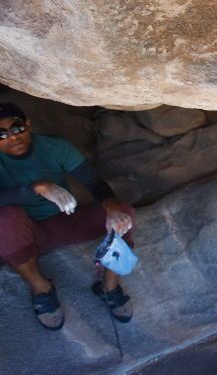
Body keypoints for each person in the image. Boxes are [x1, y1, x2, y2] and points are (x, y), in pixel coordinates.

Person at [0, 103, 135, 330]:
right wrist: (36, 188)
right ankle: (41, 289)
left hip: (66, 219)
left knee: (123, 212)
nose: (12, 138)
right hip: (26, 232)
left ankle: (109, 287)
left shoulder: (54, 147)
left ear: (28, 125)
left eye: (17, 128)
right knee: (5, 219)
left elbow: (92, 181)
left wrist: (111, 207)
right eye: (1, 134)